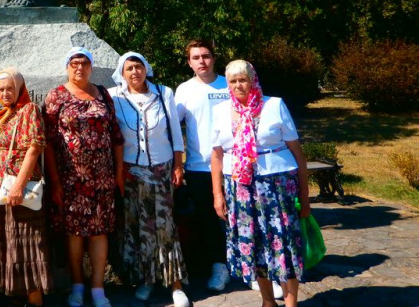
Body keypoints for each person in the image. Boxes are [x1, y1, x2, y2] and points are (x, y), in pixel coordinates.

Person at [211, 60, 310, 307]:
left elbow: (298, 153)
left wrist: (305, 198)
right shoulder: (221, 111)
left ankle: (291, 303)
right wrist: (217, 195)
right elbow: (216, 156)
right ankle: (267, 300)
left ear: (253, 80)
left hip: (276, 187)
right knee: (252, 245)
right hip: (240, 189)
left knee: (283, 245)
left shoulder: (274, 105)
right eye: (233, 81)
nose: (238, 85)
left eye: (242, 79)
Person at [43, 47, 124, 307]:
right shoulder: (56, 96)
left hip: (102, 177)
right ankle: (77, 285)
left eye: (85, 63)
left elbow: (116, 136)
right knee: (74, 232)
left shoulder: (102, 94)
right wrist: (54, 181)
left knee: (100, 231)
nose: (80, 67)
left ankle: (98, 289)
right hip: (70, 178)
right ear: (67, 67)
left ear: (91, 66)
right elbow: (48, 143)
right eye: (74, 63)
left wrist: (118, 173)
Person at [108, 53, 190, 307]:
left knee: (165, 227)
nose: (134, 72)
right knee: (138, 227)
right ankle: (146, 279)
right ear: (122, 73)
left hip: (162, 169)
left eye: (138, 67)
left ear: (146, 69)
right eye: (129, 68)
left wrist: (178, 165)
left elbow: (175, 133)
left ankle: (175, 284)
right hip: (131, 172)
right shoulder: (114, 97)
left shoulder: (163, 93)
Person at [0, 68, 51, 306]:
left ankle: (35, 300)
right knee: (10, 244)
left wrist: (19, 186)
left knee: (26, 243)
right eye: (1, 89)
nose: (5, 93)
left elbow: (34, 148)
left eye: (10, 88)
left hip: (16, 187)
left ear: (20, 88)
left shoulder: (29, 110)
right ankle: (16, 297)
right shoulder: (5, 114)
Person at [174, 40, 233, 291]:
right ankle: (219, 267)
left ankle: (251, 268)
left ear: (214, 58)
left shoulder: (230, 84)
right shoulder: (184, 90)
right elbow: (173, 130)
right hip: (200, 168)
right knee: (210, 220)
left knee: (240, 218)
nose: (201, 61)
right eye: (196, 57)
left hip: (234, 165)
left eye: (206, 56)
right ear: (189, 62)